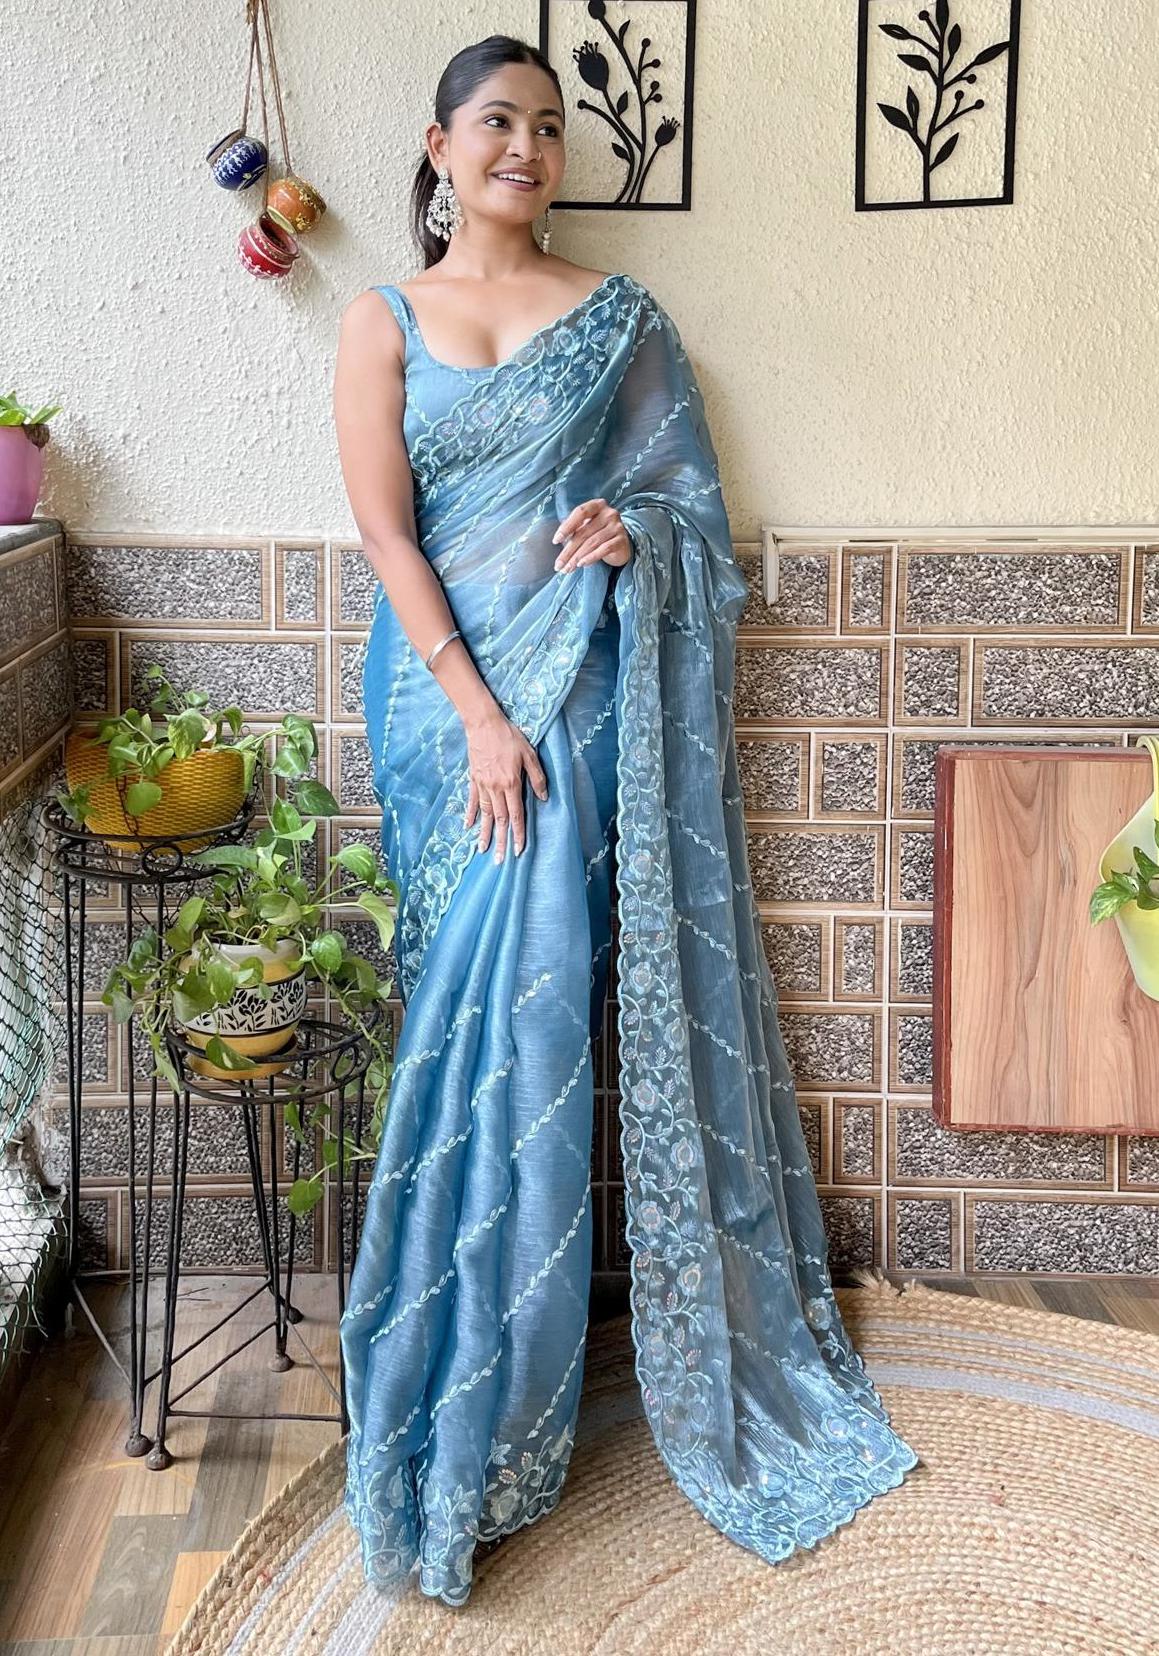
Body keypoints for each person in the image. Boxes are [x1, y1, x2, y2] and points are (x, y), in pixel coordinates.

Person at [332, 31, 919, 1610]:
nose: (525, 147)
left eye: (546, 125)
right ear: (441, 148)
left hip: (583, 695)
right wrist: (477, 713)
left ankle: (504, 1427)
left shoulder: (621, 319)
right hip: (446, 713)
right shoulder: (383, 320)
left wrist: (628, 534)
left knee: (537, 1020)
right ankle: (450, 1408)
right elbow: (388, 537)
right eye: (495, 123)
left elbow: (694, 522)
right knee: (465, 1020)